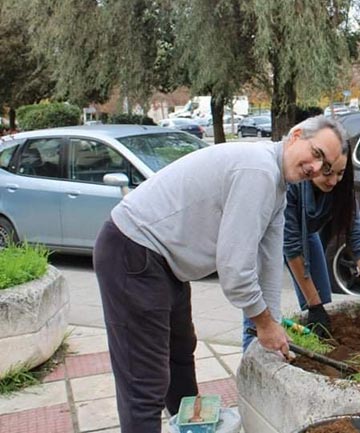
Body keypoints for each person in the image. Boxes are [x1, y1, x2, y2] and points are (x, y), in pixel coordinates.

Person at [93, 115, 346, 433]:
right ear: (295, 136)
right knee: (145, 382)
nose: (316, 167)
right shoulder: (258, 170)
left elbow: (268, 263)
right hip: (133, 251)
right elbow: (235, 271)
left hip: (165, 263)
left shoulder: (277, 188)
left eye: (325, 166)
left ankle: (193, 428)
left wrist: (273, 330)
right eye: (318, 153)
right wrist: (263, 323)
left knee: (181, 356)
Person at [242, 145, 360, 349]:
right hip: (263, 237)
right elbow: (292, 246)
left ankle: (321, 354)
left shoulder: (341, 188)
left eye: (340, 173)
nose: (333, 181)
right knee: (262, 315)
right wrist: (313, 305)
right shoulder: (290, 183)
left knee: (323, 306)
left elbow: (359, 241)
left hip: (306, 234)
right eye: (327, 173)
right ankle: (251, 362)